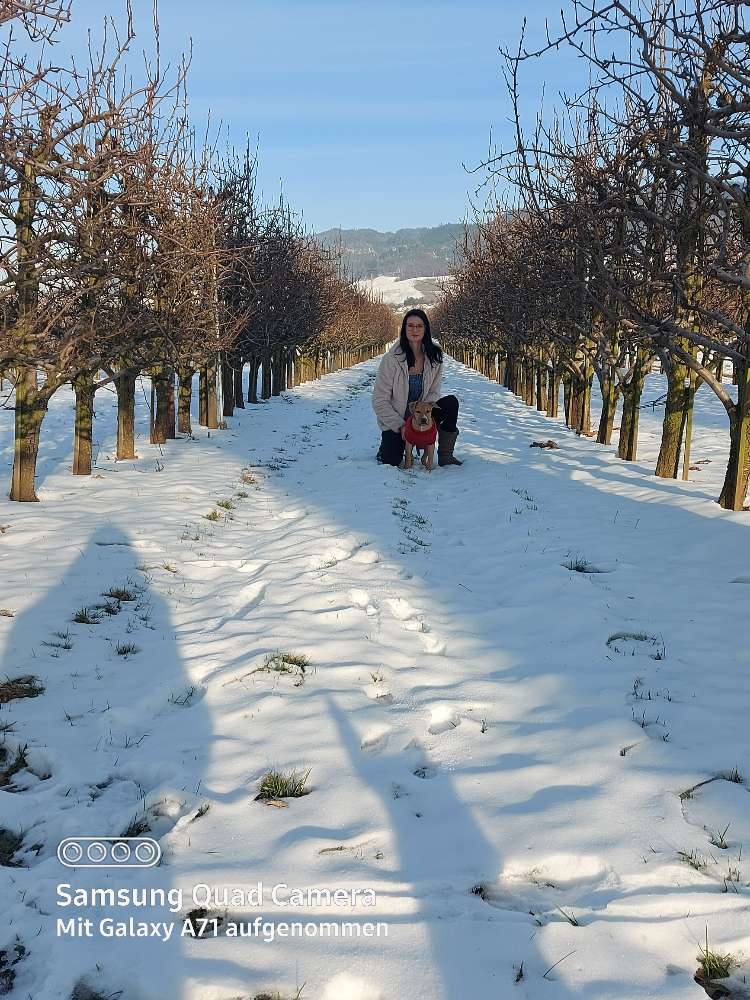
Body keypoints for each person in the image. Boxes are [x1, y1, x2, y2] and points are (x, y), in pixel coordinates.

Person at [372, 308, 462, 467]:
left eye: (419, 326)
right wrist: (401, 425)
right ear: (404, 329)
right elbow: (379, 400)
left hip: (423, 413)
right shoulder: (391, 359)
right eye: (410, 325)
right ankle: (386, 447)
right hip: (398, 419)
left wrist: (425, 417)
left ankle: (445, 455)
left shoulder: (435, 356)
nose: (415, 330)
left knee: (451, 403)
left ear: (426, 329)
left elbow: (434, 391)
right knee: (391, 459)